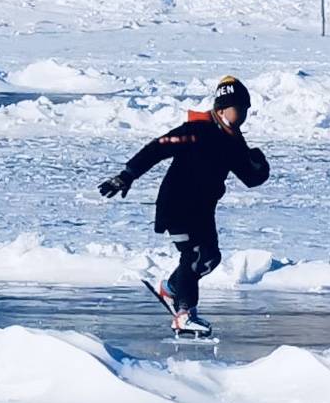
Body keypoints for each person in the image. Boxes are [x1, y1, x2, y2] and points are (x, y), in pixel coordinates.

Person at [98, 76, 270, 336]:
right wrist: (126, 175)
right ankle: (184, 314)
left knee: (210, 259)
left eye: (246, 109)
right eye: (239, 109)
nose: (244, 115)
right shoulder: (197, 130)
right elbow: (157, 148)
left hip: (202, 209)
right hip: (177, 204)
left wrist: (260, 162)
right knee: (195, 255)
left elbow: (250, 178)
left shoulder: (233, 140)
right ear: (222, 108)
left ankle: (171, 288)